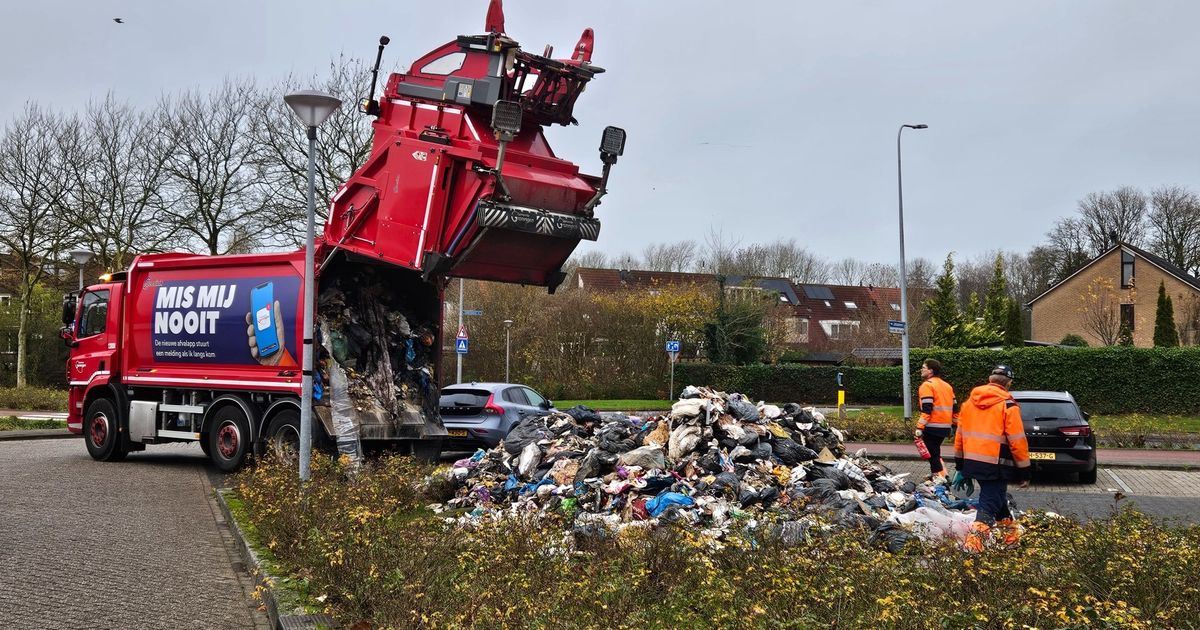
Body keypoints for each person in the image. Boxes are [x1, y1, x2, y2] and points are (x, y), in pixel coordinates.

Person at [952, 364, 1031, 553]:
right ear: (1008, 383)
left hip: (973, 462)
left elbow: (959, 436)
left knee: (998, 500)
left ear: (990, 380)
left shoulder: (969, 404)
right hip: (997, 465)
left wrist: (960, 465)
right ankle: (973, 547)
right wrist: (1025, 471)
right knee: (989, 503)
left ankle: (1011, 539)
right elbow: (1017, 442)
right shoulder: (1008, 405)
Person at [915, 358, 957, 482]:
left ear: (931, 371)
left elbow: (927, 409)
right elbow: (955, 408)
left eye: (924, 367)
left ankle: (939, 478)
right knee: (935, 452)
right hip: (944, 427)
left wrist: (919, 427)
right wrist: (955, 425)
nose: (921, 370)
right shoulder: (947, 386)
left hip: (932, 426)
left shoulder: (927, 385)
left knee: (932, 454)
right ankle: (941, 475)